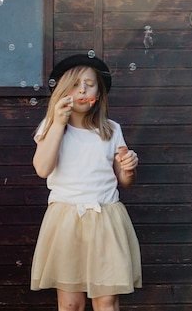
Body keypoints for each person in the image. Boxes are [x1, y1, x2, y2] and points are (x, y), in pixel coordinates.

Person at [30, 54, 142, 311]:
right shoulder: (50, 126)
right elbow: (43, 169)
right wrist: (58, 123)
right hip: (66, 219)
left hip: (105, 217)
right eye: (75, 84)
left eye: (89, 84)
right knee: (71, 304)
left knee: (106, 301)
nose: (82, 89)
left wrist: (130, 167)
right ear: (61, 92)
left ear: (99, 93)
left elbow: (124, 180)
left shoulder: (111, 129)